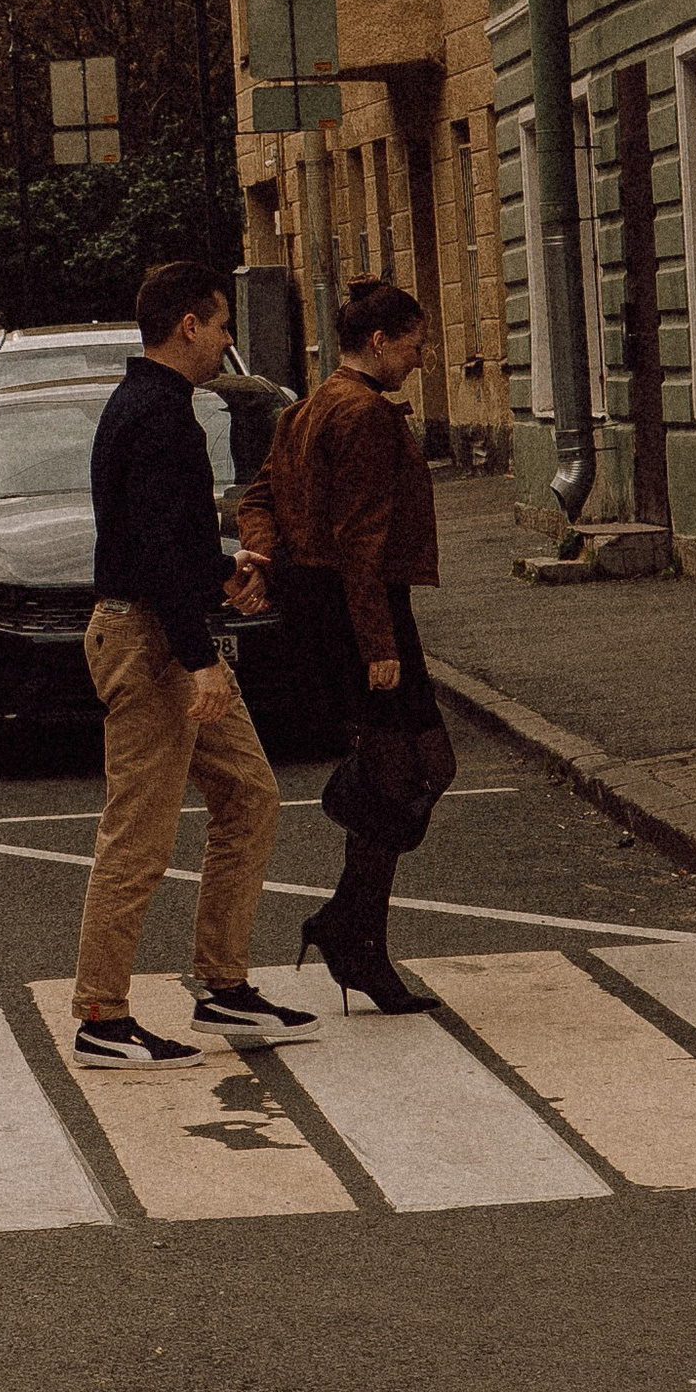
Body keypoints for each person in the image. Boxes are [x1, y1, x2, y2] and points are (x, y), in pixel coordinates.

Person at [69, 260, 311, 1070]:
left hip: (157, 626)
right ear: (188, 326)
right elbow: (151, 553)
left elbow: (165, 540)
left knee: (251, 793)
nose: (229, 339)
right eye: (221, 323)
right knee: (138, 837)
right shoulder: (161, 417)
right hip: (150, 644)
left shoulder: (150, 406)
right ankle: (102, 1015)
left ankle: (222, 987)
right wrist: (202, 655)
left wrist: (223, 574)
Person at [237, 276, 454, 1014]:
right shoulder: (359, 415)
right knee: (404, 769)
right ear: (380, 341)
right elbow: (361, 540)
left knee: (422, 765)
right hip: (358, 608)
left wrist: (264, 558)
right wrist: (377, 643)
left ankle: (346, 924)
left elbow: (256, 499)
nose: (421, 360)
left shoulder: (306, 408)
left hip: (337, 605)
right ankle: (357, 939)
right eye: (416, 346)